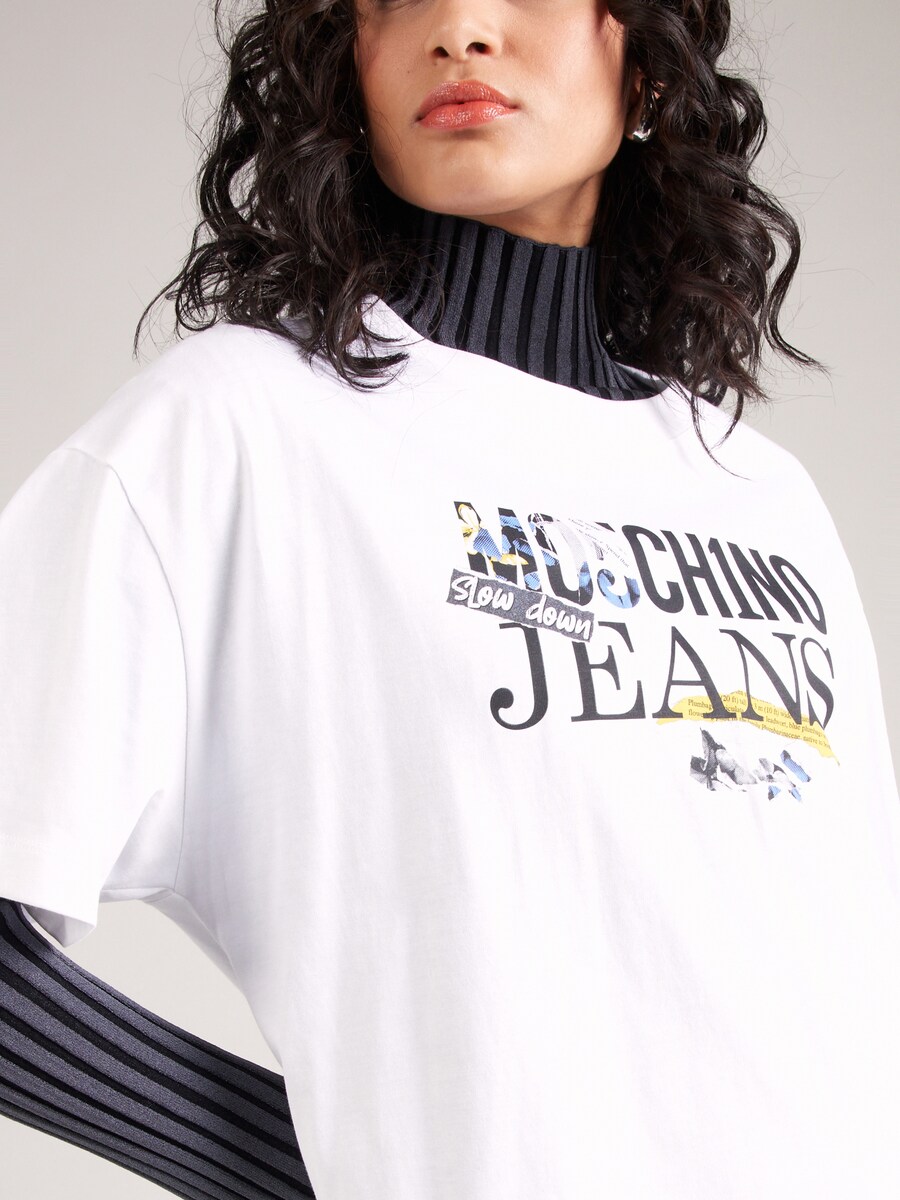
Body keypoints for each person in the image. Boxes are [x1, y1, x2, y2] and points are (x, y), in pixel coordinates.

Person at [2, 1, 899, 1198]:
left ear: (646, 63)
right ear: (347, 66)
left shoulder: (758, 489)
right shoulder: (238, 431)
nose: (461, 27)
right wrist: (296, 1165)